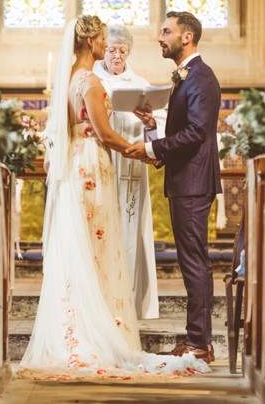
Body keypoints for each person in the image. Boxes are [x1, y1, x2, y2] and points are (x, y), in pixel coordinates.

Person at [17, 15, 210, 379]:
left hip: (80, 165)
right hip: (92, 165)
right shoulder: (88, 80)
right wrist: (140, 151)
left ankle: (75, 329)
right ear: (91, 43)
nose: (107, 46)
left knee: (83, 248)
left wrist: (147, 139)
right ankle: (95, 332)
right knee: (97, 247)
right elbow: (105, 134)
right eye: (104, 39)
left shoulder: (70, 78)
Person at [125, 11, 222, 362]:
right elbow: (184, 132)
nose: (160, 38)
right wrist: (153, 127)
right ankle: (197, 339)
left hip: (194, 182)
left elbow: (197, 133)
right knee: (190, 261)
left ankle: (200, 343)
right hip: (186, 180)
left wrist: (151, 148)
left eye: (166, 31)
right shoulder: (186, 77)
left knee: (195, 262)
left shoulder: (202, 78)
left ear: (187, 37)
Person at [92, 24, 164, 320]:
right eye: (111, 49)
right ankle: (101, 303)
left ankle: (128, 305)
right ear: (103, 50)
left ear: (129, 53)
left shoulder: (140, 83)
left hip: (133, 164)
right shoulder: (92, 80)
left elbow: (156, 128)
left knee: (130, 232)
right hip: (103, 162)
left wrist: (149, 122)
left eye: (122, 50)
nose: (117, 55)